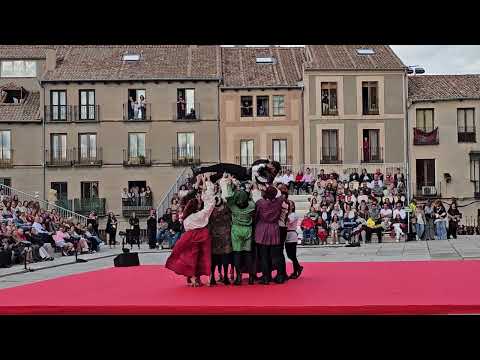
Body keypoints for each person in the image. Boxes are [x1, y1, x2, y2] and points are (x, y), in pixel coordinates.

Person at [165, 174, 216, 287]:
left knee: (190, 257)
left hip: (189, 237)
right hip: (199, 235)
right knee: (197, 258)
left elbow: (191, 199)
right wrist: (207, 183)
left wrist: (199, 183)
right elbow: (210, 205)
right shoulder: (198, 216)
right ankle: (194, 278)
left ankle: (193, 278)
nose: (198, 200)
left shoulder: (187, 219)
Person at [223, 175, 256, 285]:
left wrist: (229, 185)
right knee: (248, 254)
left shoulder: (233, 206)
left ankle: (238, 277)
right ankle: (251, 276)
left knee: (237, 254)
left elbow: (229, 197)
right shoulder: (251, 206)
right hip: (248, 230)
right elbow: (251, 198)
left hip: (236, 230)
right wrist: (248, 190)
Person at [254, 185, 285, 285]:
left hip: (262, 228)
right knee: (276, 255)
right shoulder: (278, 202)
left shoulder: (260, 203)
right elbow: (280, 195)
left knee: (264, 256)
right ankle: (280, 276)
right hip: (274, 229)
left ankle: (266, 277)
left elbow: (256, 216)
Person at [208, 196, 233, 286]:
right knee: (225, 257)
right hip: (225, 237)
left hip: (214, 237)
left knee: (214, 258)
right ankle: (226, 277)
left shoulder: (211, 211)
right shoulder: (226, 210)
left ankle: (212, 278)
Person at [285, 201, 303, 279]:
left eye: (291, 205)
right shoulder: (288, 214)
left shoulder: (294, 215)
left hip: (292, 235)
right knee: (289, 255)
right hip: (287, 235)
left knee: (292, 255)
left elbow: (289, 220)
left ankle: (296, 269)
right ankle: (298, 268)